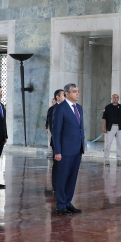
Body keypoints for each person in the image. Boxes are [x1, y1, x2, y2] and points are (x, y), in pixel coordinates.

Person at [52, 83, 85, 215]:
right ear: (67, 94)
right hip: (65, 151)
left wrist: (82, 146)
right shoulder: (60, 109)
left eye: (78, 91)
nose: (77, 94)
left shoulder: (79, 108)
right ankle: (60, 205)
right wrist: (57, 151)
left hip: (77, 149)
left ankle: (68, 203)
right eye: (74, 91)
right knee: (62, 178)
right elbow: (56, 132)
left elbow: (80, 128)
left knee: (72, 178)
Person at [102, 94, 121, 165]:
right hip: (110, 127)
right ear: (112, 98)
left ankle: (119, 159)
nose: (115, 99)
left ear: (118, 99)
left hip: (120, 127)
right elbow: (104, 118)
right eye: (114, 97)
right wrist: (104, 128)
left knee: (119, 144)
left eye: (117, 98)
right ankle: (106, 159)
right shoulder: (107, 107)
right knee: (108, 144)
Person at [45, 90, 63, 192]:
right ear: (57, 97)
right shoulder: (53, 109)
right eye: (63, 95)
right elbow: (53, 127)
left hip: (66, 143)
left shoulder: (67, 108)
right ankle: (55, 187)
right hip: (57, 141)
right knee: (57, 165)